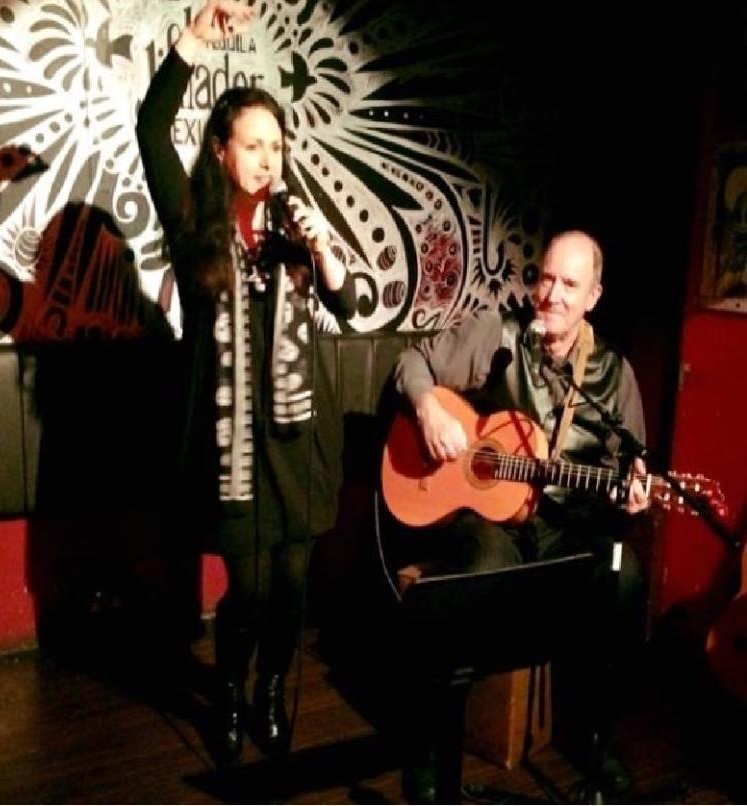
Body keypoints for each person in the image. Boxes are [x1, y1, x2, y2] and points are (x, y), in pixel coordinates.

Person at [136, 0, 356, 762]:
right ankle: (230, 688)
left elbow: (347, 300)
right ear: (224, 152)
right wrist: (193, 41)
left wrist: (323, 250)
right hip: (231, 449)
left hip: (299, 437)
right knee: (252, 588)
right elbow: (150, 130)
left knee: (293, 589)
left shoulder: (296, 221)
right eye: (253, 144)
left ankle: (270, 687)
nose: (268, 158)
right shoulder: (195, 217)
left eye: (277, 144)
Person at [390, 230, 649, 801]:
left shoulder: (615, 375)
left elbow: (629, 469)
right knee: (481, 564)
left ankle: (594, 738)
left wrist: (631, 497)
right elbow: (412, 362)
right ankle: (432, 745)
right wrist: (429, 405)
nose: (551, 294)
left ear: (594, 296)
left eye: (569, 284)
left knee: (624, 573)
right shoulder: (499, 334)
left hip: (566, 529)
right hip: (492, 519)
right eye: (546, 278)